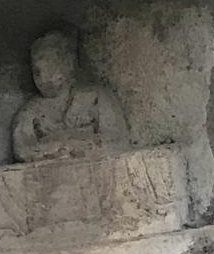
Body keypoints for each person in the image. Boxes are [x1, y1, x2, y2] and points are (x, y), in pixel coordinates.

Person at [11, 29, 129, 163]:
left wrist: (76, 146)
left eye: (51, 67)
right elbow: (22, 150)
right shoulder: (30, 112)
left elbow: (118, 139)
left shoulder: (96, 97)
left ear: (69, 64)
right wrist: (52, 150)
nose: (44, 77)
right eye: (37, 71)